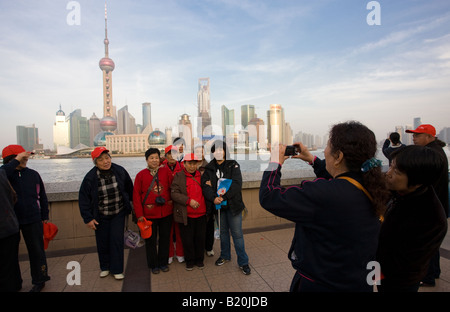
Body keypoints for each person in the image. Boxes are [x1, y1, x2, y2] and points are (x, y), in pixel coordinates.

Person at [259, 121, 390, 292]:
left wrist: (275, 162)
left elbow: (269, 195)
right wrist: (312, 160)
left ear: (339, 157)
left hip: (320, 284)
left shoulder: (324, 195)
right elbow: (340, 180)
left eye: (328, 146)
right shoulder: (372, 187)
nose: (325, 151)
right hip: (357, 282)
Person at [376, 145, 448, 292]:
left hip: (400, 280)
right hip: (381, 270)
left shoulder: (432, 218)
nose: (388, 174)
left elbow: (406, 263)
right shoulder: (401, 191)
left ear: (418, 179)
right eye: (391, 166)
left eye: (396, 171)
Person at [78, 147, 133, 280]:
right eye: (101, 160)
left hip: (118, 213)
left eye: (107, 158)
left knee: (116, 241)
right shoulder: (90, 177)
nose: (105, 161)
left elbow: (129, 188)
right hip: (100, 215)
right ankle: (105, 267)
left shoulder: (119, 171)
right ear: (95, 162)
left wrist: (130, 204)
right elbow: (83, 199)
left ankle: (117, 269)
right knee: (102, 242)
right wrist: (88, 218)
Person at [1, 145, 51, 292]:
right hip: (11, 221)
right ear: (12, 160)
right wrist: (16, 162)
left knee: (37, 251)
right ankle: (14, 283)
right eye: (22, 158)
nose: (25, 160)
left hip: (33, 218)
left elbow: (42, 196)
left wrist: (44, 215)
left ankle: (40, 279)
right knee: (10, 255)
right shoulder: (5, 175)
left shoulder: (33, 174)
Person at [406, 124, 449, 286]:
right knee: (432, 242)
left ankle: (428, 276)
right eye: (413, 135)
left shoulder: (430, 155)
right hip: (437, 205)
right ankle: (434, 272)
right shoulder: (437, 152)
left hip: (429, 208)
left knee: (425, 243)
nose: (414, 138)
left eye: (418, 135)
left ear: (430, 137)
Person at [202, 140, 251, 275]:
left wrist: (223, 197)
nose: (218, 152)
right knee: (223, 233)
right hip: (219, 207)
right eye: (215, 150)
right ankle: (225, 256)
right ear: (212, 153)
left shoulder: (233, 165)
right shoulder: (209, 168)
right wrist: (214, 198)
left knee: (237, 234)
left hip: (233, 205)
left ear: (225, 151)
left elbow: (236, 184)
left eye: (221, 149)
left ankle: (243, 262)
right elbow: (205, 186)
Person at [133, 148, 174, 274]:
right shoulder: (140, 175)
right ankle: (153, 264)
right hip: (148, 214)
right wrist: (139, 214)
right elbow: (136, 196)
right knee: (150, 241)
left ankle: (163, 262)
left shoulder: (166, 172)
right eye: (151, 158)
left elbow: (173, 188)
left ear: (160, 159)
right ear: (146, 160)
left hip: (165, 212)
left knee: (165, 239)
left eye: (156, 157)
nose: (154, 160)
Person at [171, 153, 207, 270]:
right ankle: (189, 260)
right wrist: (188, 201)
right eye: (189, 163)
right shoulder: (179, 176)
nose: (192, 166)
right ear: (184, 164)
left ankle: (199, 259)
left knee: (200, 238)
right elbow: (174, 193)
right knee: (187, 239)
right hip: (186, 214)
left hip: (201, 213)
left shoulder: (202, 176)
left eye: (194, 164)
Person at [0, 168, 22, 291]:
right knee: (11, 263)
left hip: (6, 227)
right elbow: (13, 197)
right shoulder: (2, 174)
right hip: (10, 226)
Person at [163, 145, 185, 264]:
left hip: (179, 203)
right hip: (166, 204)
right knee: (168, 230)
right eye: (170, 154)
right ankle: (170, 253)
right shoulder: (161, 168)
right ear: (166, 156)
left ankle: (181, 253)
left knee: (180, 229)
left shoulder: (182, 167)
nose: (172, 156)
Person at [194, 144, 214, 257]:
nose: (198, 153)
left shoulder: (209, 166)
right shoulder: (189, 165)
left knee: (209, 225)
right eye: (196, 151)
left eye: (200, 151)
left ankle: (209, 247)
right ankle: (198, 248)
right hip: (195, 200)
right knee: (197, 227)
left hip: (207, 200)